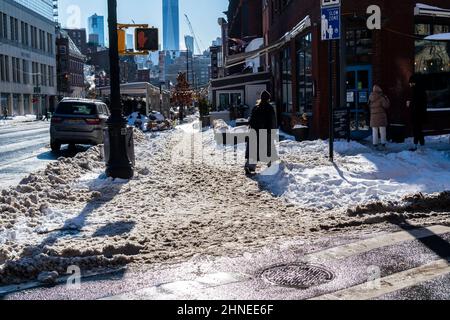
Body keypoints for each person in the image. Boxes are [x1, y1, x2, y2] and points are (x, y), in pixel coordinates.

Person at [245, 90, 278, 174]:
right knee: (268, 149)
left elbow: (251, 120)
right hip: (266, 132)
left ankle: (250, 166)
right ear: (268, 99)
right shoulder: (270, 108)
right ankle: (271, 165)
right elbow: (273, 121)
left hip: (254, 132)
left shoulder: (256, 107)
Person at [407, 75, 428, 151]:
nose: (409, 85)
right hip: (421, 114)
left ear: (413, 83)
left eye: (410, 83)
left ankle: (416, 145)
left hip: (416, 114)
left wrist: (410, 104)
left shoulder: (415, 91)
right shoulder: (421, 90)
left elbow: (416, 104)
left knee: (416, 129)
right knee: (419, 129)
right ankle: (421, 144)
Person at [369, 85, 390, 150]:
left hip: (373, 116)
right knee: (382, 130)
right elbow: (386, 106)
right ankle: (383, 143)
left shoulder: (370, 97)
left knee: (374, 130)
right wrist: (386, 98)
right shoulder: (381, 97)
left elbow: (369, 106)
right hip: (381, 116)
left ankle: (375, 144)